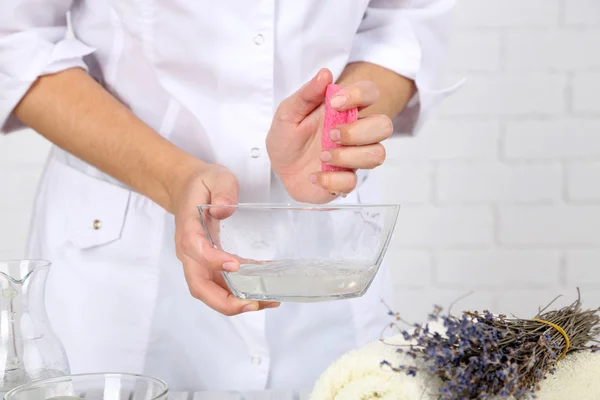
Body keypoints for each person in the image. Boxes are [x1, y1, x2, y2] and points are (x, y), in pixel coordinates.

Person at [0, 0, 456, 393]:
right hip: (126, 256)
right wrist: (173, 178)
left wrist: (334, 135)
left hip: (323, 245)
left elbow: (403, 24)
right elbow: (16, 37)